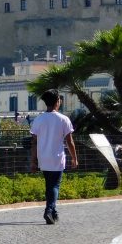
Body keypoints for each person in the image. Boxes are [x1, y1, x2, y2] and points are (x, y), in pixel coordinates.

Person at [29, 90, 77, 224]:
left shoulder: (39, 119)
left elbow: (34, 142)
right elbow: (69, 141)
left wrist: (33, 161)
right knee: (55, 186)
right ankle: (49, 210)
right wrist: (74, 158)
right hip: (57, 157)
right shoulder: (64, 119)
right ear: (57, 101)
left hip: (43, 157)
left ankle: (54, 212)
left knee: (49, 186)